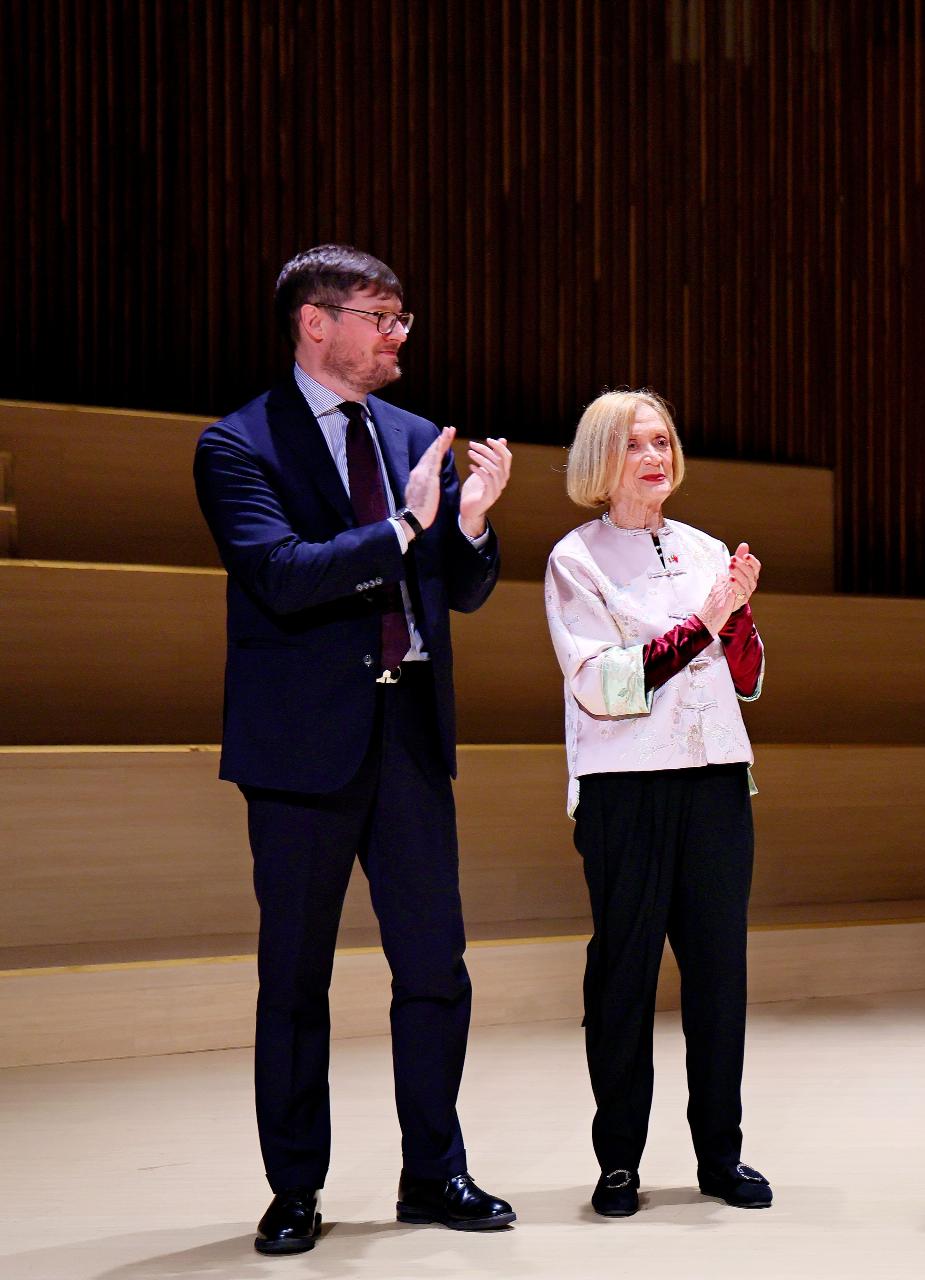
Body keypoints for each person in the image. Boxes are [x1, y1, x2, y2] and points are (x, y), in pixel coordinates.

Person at [192, 244, 516, 1255]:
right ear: (316, 323)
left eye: (401, 316)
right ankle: (295, 1187)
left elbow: (459, 586)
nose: (398, 334)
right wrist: (410, 525)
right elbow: (284, 576)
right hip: (301, 748)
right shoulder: (236, 444)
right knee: (296, 976)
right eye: (381, 316)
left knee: (435, 967)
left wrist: (468, 526)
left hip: (408, 728)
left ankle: (435, 1170)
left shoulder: (416, 435)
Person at [544, 389, 770, 1217]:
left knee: (719, 975)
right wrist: (709, 619)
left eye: (664, 441)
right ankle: (618, 1163)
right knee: (624, 976)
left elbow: (748, 678)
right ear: (602, 459)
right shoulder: (576, 558)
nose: (655, 456)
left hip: (716, 780)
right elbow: (606, 686)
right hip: (625, 787)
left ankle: (721, 1155)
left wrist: (735, 616)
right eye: (636, 443)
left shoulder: (706, 548)